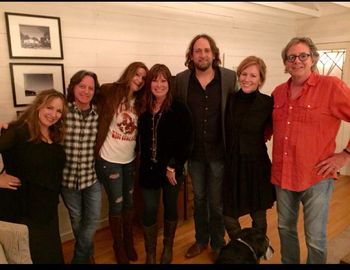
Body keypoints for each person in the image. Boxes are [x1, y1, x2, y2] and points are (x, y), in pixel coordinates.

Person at [272, 37, 350, 264]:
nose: (297, 61)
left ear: (313, 58)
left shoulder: (331, 87)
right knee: (285, 228)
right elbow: (267, 126)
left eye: (303, 56)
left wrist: (345, 155)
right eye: (291, 57)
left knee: (315, 237)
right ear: (285, 63)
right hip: (283, 175)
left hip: (316, 176)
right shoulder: (278, 92)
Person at [174, 33, 237, 260]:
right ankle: (201, 240)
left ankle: (218, 243)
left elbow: (240, 110)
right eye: (198, 51)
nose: (202, 55)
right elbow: (175, 115)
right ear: (191, 55)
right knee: (199, 200)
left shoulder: (229, 78)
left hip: (220, 152)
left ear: (214, 53)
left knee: (216, 202)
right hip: (194, 154)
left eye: (206, 50)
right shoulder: (181, 80)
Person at [0, 89, 68, 264]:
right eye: (49, 107)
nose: (54, 114)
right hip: (24, 209)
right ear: (38, 106)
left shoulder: (54, 134)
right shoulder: (17, 131)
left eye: (59, 111)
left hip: (48, 209)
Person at [137, 64, 193, 264]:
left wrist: (174, 165)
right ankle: (151, 253)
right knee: (150, 210)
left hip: (171, 170)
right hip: (148, 170)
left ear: (170, 83)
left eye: (163, 80)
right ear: (149, 82)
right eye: (155, 80)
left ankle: (167, 247)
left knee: (171, 208)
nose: (159, 85)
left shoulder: (179, 108)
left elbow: (187, 141)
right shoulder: (142, 107)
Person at [94, 62, 148, 264]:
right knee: (117, 206)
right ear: (129, 73)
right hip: (109, 160)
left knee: (129, 204)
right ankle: (118, 246)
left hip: (130, 161)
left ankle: (128, 243)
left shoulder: (140, 101)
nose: (140, 80)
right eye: (137, 74)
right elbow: (84, 96)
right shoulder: (110, 91)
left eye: (143, 78)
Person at [223, 56, 276, 241]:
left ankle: (256, 253)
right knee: (228, 215)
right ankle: (242, 247)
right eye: (244, 74)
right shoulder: (229, 100)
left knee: (259, 216)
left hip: (256, 166)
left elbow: (280, 128)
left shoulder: (267, 103)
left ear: (260, 79)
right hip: (232, 165)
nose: (247, 79)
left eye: (253, 75)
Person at [60, 70, 101, 264]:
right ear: (73, 87)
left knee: (91, 220)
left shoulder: (99, 114)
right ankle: (87, 255)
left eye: (90, 88)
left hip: (91, 177)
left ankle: (79, 258)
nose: (86, 91)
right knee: (77, 221)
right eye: (82, 86)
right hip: (67, 179)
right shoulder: (62, 111)